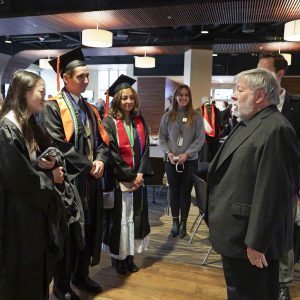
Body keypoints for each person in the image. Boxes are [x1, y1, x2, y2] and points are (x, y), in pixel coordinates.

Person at [207, 68, 300, 300]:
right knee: (238, 293)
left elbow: (274, 193)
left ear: (259, 96)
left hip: (252, 241)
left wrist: (257, 242)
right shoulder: (250, 122)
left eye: (239, 90)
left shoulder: (276, 128)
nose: (233, 96)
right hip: (235, 235)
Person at [43, 47, 109, 299]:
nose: (85, 80)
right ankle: (61, 286)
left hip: (90, 182)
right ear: (66, 78)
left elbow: (103, 142)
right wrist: (88, 164)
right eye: (80, 76)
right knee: (69, 232)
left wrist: (101, 160)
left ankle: (81, 276)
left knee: (90, 228)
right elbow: (58, 143)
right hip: (68, 183)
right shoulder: (53, 107)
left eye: (87, 76)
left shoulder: (90, 109)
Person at [0, 70, 64, 299]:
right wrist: (51, 178)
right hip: (16, 217)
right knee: (21, 275)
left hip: (30, 212)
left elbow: (33, 160)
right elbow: (20, 178)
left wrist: (48, 161)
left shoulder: (27, 123)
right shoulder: (6, 130)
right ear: (23, 92)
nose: (44, 97)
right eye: (41, 92)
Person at [258, 52, 300, 300]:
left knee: (284, 234)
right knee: (259, 231)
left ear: (280, 74)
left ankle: (284, 282)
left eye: (265, 71)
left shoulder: (296, 106)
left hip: (287, 184)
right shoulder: (256, 104)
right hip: (258, 183)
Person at [102, 75, 152, 275]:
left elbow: (146, 148)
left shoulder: (139, 120)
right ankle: (118, 259)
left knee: (135, 218)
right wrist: (129, 176)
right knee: (120, 219)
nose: (128, 102)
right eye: (124, 98)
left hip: (137, 181)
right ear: (117, 100)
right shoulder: (109, 122)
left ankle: (129, 256)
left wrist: (140, 173)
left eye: (131, 97)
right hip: (118, 181)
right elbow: (112, 154)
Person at [159, 84, 205, 238]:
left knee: (185, 192)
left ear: (189, 97)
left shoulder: (196, 116)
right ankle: (174, 222)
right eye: (181, 95)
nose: (183, 98)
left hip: (190, 161)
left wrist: (188, 154)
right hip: (171, 161)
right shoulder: (168, 116)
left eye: (186, 95)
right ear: (176, 97)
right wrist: (168, 153)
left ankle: (184, 224)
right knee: (173, 191)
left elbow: (200, 139)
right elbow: (162, 138)